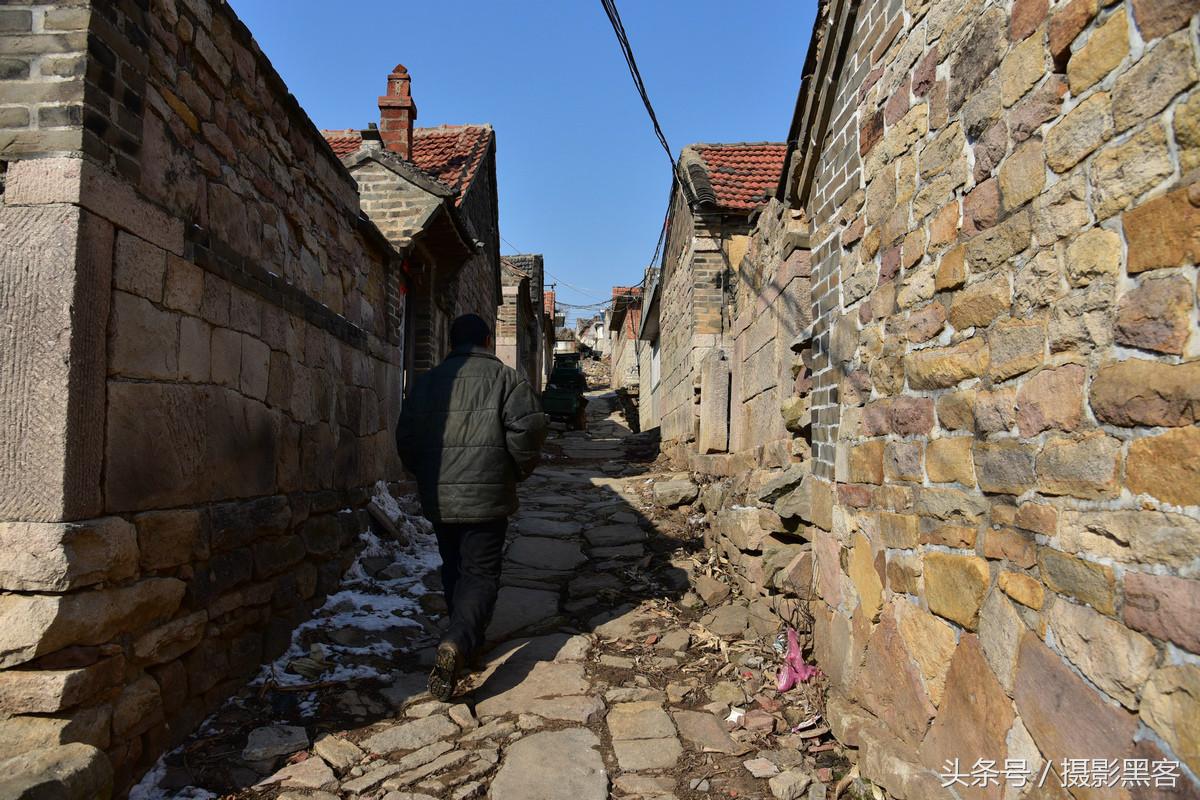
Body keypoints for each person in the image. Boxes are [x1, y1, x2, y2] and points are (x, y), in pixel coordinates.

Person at [396, 313, 548, 701]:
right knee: (480, 572)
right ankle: (459, 640)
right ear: (488, 338)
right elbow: (528, 431)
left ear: (451, 342)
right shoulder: (508, 381)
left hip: (440, 497)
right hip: (488, 496)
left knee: (455, 567)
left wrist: (427, 473)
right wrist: (514, 469)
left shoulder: (426, 384)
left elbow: (407, 438)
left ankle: (466, 641)